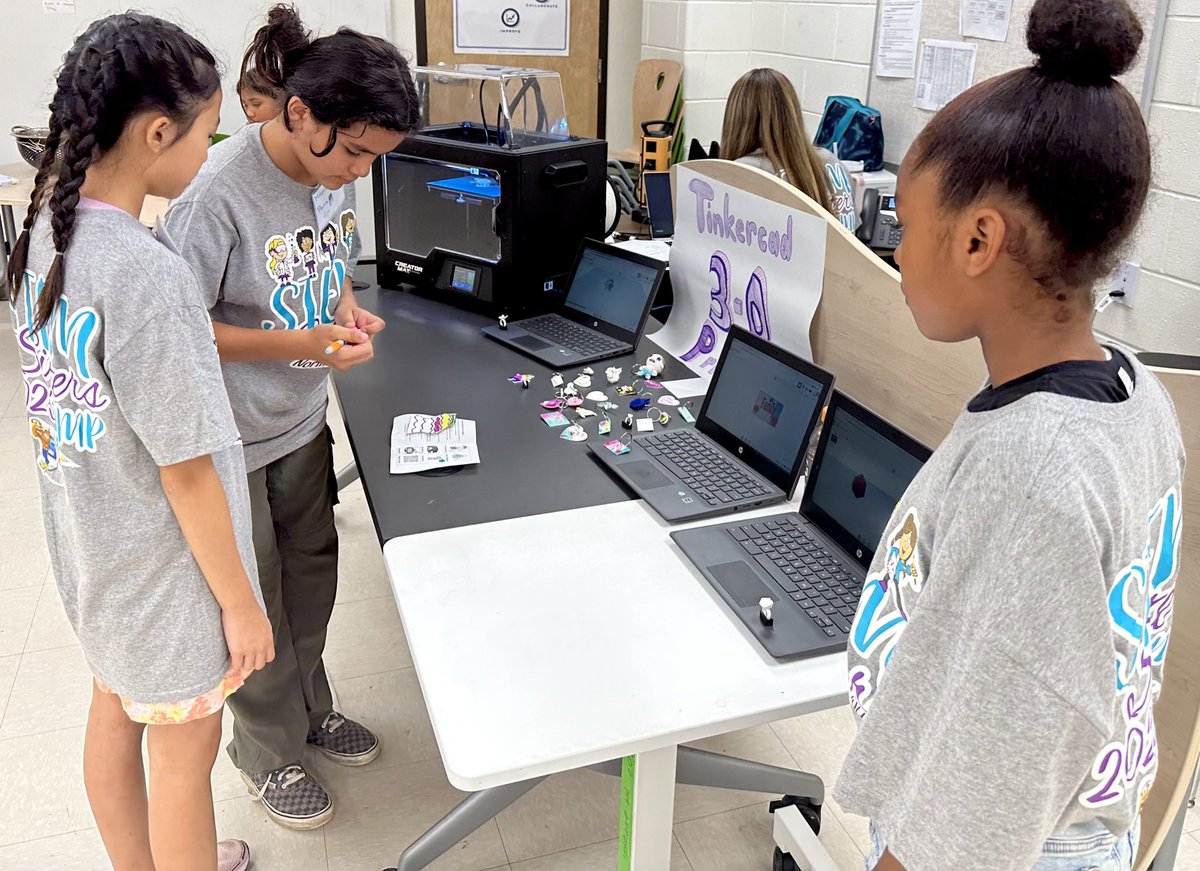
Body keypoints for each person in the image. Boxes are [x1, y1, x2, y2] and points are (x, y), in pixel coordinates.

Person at [833, 0, 1185, 869]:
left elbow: (980, 801)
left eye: (910, 230)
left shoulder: (1036, 470)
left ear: (980, 238)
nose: (899, 253)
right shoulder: (1134, 394)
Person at [5, 13, 274, 871]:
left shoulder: (44, 229)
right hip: (164, 570)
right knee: (186, 755)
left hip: (92, 547)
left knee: (113, 710)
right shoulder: (145, 272)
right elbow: (187, 469)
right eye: (207, 131)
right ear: (160, 132)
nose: (211, 148)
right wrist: (239, 601)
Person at [165, 3, 420, 831]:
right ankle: (266, 752)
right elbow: (179, 330)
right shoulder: (216, 193)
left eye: (375, 159)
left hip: (303, 421)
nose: (358, 172)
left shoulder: (330, 177)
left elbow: (332, 264)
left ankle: (313, 709)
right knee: (258, 606)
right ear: (297, 113)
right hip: (229, 441)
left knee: (313, 580)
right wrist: (294, 342)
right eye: (353, 152)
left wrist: (343, 313)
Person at [720, 68, 858, 231]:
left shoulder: (743, 170)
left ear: (736, 117)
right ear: (792, 111)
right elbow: (852, 230)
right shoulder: (830, 161)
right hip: (836, 257)